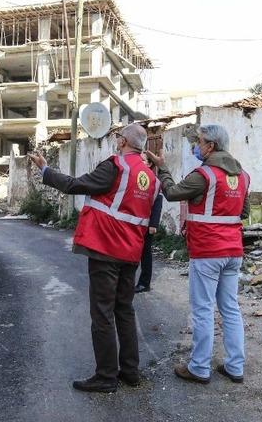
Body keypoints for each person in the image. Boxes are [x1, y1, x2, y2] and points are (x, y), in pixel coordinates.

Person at [28, 123, 158, 393]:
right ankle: (130, 371)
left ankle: (106, 376)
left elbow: (75, 185)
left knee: (102, 312)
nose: (116, 140)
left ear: (123, 142)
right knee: (124, 310)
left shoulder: (115, 167)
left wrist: (45, 170)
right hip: (131, 252)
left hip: (106, 248)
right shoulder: (149, 177)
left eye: (118, 137)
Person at [145, 124, 250, 385]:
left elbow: (172, 193)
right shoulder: (243, 175)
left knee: (203, 309)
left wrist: (163, 168)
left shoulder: (204, 175)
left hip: (207, 250)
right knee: (230, 309)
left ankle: (200, 367)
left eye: (199, 142)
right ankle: (235, 367)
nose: (196, 146)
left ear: (211, 146)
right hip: (233, 251)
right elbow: (244, 212)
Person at [135, 157, 163, 293]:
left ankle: (144, 283)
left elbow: (158, 202)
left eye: (144, 160)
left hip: (146, 225)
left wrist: (153, 224)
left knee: (145, 253)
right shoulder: (136, 176)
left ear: (150, 163)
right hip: (134, 224)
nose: (140, 162)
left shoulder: (153, 180)